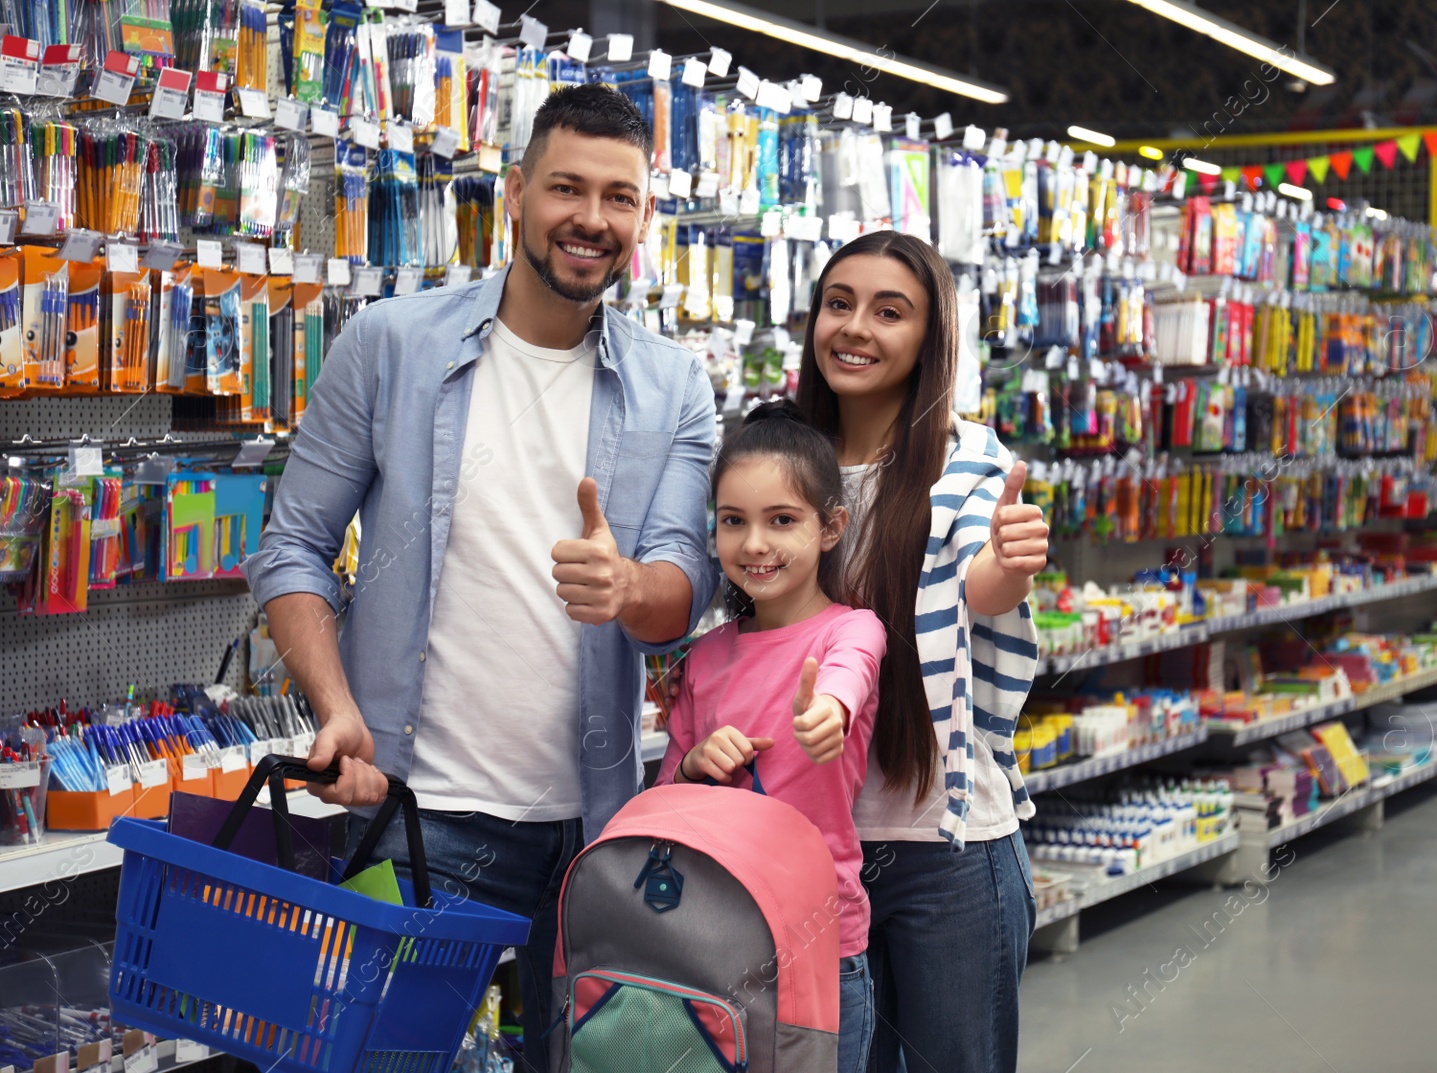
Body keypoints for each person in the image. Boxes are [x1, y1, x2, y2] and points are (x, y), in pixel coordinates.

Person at [242, 83, 716, 1069]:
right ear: (515, 193)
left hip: (593, 835)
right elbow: (293, 545)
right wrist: (333, 705)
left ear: (643, 217)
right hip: (419, 814)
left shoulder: (676, 383)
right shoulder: (391, 345)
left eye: (618, 197)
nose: (590, 218)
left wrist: (628, 587)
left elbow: (682, 584)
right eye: (567, 188)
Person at [795, 230, 1050, 1073]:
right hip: (813, 853)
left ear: (930, 338)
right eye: (840, 303)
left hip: (948, 851)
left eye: (888, 311)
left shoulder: (964, 463)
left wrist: (1007, 566)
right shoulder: (784, 465)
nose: (856, 327)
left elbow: (973, 580)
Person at [656, 400, 887, 1073]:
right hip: (711, 945)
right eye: (734, 521)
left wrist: (830, 715)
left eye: (781, 520)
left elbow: (849, 676)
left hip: (821, 948)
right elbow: (667, 796)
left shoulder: (850, 629)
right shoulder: (704, 657)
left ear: (830, 526)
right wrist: (696, 764)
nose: (754, 544)